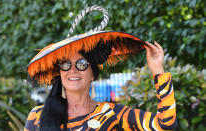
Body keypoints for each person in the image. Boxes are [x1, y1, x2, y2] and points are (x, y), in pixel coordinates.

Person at [24, 6, 177, 131]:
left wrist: (158, 70)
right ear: (60, 72)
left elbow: (165, 125)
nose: (73, 70)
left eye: (81, 64)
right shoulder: (36, 116)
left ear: (93, 74)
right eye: (65, 64)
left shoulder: (111, 114)